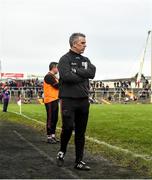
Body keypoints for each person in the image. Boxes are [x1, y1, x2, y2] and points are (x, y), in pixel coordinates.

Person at [56, 33, 96, 170]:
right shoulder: (64, 59)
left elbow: (92, 73)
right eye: (82, 43)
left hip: (83, 100)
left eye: (85, 43)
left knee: (81, 132)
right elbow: (67, 77)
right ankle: (62, 151)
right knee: (67, 128)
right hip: (68, 100)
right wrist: (82, 74)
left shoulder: (85, 59)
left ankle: (79, 161)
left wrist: (76, 71)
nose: (85, 45)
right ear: (74, 44)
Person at [43, 62, 59, 144]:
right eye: (57, 67)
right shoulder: (48, 76)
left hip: (55, 99)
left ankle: (53, 135)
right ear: (53, 67)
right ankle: (49, 137)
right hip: (49, 100)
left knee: (55, 118)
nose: (58, 69)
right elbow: (57, 86)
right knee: (50, 118)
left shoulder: (53, 76)